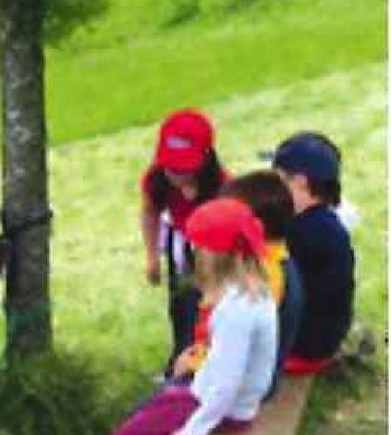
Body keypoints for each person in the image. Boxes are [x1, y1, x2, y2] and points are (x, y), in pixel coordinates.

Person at [77, 198, 276, 435]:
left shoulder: (235, 312)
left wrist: (193, 429)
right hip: (222, 401)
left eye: (197, 246)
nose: (192, 252)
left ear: (214, 255)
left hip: (220, 410)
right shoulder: (254, 293)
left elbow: (227, 384)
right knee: (144, 419)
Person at [140, 109, 228, 379]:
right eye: (170, 167)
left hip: (212, 250)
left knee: (205, 308)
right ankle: (179, 361)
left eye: (183, 168)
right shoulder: (156, 180)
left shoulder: (223, 186)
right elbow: (150, 212)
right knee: (180, 304)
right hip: (180, 245)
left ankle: (203, 365)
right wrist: (152, 256)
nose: (175, 175)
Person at [271, 132, 355, 375]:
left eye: (278, 179)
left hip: (307, 344)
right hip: (325, 333)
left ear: (300, 182)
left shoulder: (306, 231)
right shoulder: (322, 220)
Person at [219, 170, 304, 397]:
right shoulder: (272, 257)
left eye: (227, 216)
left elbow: (239, 343)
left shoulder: (265, 275)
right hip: (252, 376)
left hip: (245, 386)